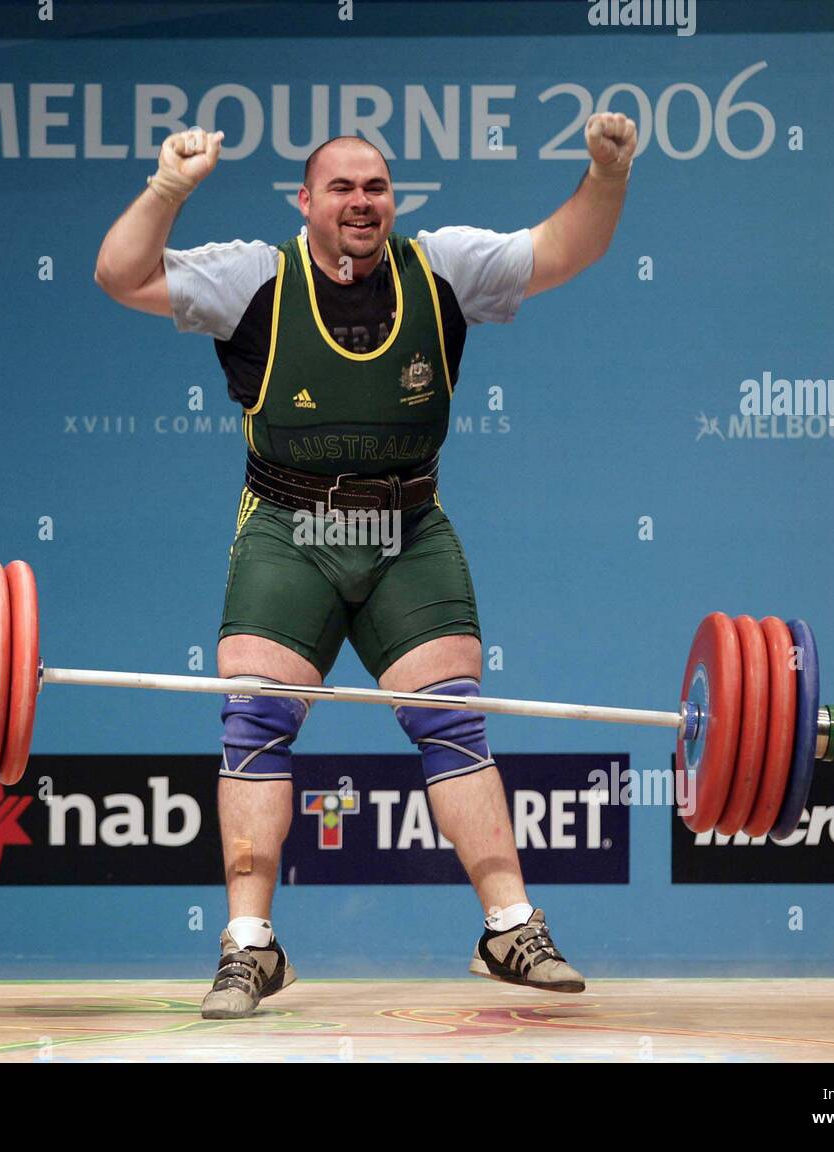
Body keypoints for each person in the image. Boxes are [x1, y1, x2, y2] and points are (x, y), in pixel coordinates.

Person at [95, 113, 637, 1018]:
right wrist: (169, 187)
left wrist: (609, 174)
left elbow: (561, 252)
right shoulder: (253, 279)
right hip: (288, 528)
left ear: (395, 202)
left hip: (407, 530)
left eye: (375, 187)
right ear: (305, 202)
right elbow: (121, 275)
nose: (360, 201)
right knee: (255, 723)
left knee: (454, 724)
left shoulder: (445, 268)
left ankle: (509, 927)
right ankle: (249, 948)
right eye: (340, 187)